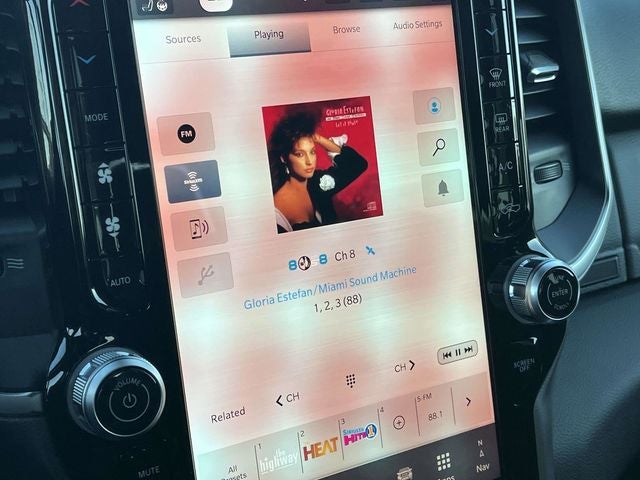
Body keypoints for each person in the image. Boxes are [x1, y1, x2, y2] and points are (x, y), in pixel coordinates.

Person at [267, 110, 368, 233]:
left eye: (312, 152)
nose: (309, 161)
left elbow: (358, 164)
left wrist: (318, 138)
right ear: (284, 158)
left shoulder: (317, 181)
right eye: (300, 154)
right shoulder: (276, 211)